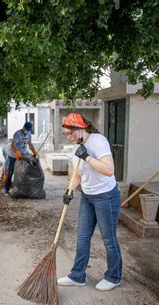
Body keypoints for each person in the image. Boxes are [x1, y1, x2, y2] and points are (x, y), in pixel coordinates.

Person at [58, 112, 122, 291]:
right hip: (87, 196)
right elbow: (78, 174)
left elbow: (109, 170)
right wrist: (69, 191)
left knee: (108, 239)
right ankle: (77, 275)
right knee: (83, 236)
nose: (69, 137)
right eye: (66, 134)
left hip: (106, 196)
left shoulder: (98, 141)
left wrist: (87, 156)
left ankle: (114, 276)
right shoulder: (75, 149)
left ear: (80, 128)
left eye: (70, 133)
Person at [4, 122, 38, 195]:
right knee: (11, 171)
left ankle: (22, 188)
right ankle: (6, 189)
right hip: (14, 155)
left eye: (29, 130)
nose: (27, 131)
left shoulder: (28, 134)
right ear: (23, 127)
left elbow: (30, 144)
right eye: (26, 129)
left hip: (23, 154)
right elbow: (12, 146)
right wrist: (17, 152)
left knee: (24, 171)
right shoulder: (17, 134)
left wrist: (34, 151)